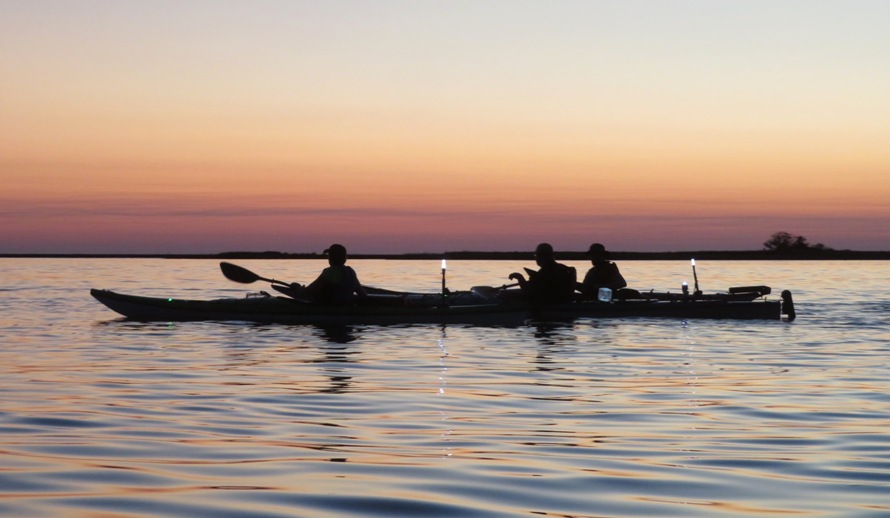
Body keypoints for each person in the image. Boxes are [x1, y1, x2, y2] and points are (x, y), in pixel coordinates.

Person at [293, 244, 367, 305]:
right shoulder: (350, 271)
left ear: (331, 258)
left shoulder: (331, 272)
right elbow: (362, 295)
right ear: (345, 258)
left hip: (330, 308)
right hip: (346, 307)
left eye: (329, 256)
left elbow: (308, 292)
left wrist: (298, 288)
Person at [508, 243, 576, 305]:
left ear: (542, 256)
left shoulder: (547, 271)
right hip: (558, 301)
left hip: (550, 303)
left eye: (536, 255)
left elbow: (529, 292)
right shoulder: (560, 268)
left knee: (506, 295)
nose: (536, 258)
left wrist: (520, 278)